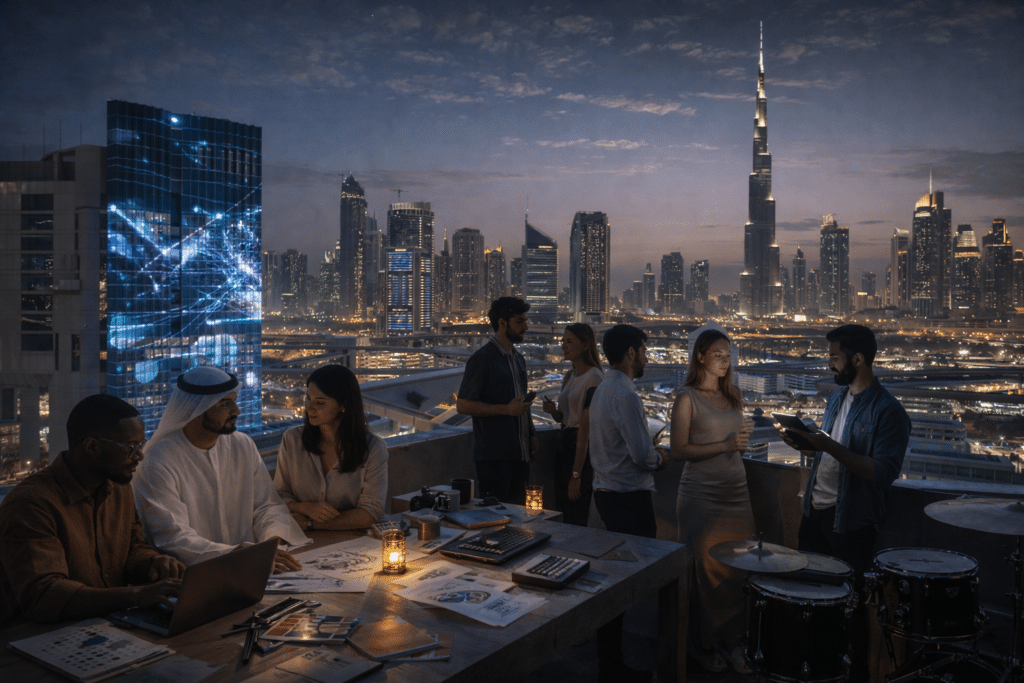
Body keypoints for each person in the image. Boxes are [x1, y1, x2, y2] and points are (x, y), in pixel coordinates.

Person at [781, 324, 910, 683]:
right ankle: (818, 671)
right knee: (811, 601)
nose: (829, 365)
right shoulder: (837, 398)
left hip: (851, 523)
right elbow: (831, 453)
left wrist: (825, 446)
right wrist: (805, 443)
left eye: (834, 358)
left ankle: (856, 675)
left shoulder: (889, 412)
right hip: (816, 512)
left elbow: (882, 472)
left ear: (858, 359)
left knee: (851, 608)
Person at [0, 394, 185, 630]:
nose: (140, 456)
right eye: (131, 447)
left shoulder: (119, 488)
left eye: (141, 445)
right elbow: (44, 596)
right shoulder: (32, 504)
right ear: (91, 447)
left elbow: (132, 550)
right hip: (35, 641)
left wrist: (154, 564)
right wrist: (136, 596)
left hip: (104, 629)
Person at [133, 366, 309, 573]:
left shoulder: (242, 445)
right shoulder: (158, 460)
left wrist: (271, 542)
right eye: (225, 404)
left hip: (256, 568)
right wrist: (234, 554)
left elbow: (267, 506)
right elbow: (172, 537)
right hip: (195, 576)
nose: (236, 411)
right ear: (197, 410)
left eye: (234, 401)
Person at [670, 329, 754, 674]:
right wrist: (728, 446)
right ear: (701, 356)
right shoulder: (686, 398)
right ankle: (704, 644)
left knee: (740, 570)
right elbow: (679, 451)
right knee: (704, 575)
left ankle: (733, 641)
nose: (725, 360)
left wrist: (740, 443)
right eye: (718, 354)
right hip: (700, 497)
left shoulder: (734, 396)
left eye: (729, 355)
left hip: (737, 493)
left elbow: (736, 443)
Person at [588, 324, 669, 683]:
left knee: (613, 585)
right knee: (624, 588)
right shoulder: (625, 394)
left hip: (606, 494)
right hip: (627, 499)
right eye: (644, 350)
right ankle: (615, 668)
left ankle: (610, 663)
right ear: (632, 352)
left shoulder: (605, 389)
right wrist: (662, 458)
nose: (647, 357)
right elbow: (641, 454)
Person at [275, 365, 388, 531]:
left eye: (320, 402)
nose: (309, 408)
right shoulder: (292, 440)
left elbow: (370, 511)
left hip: (354, 542)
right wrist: (304, 508)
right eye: (308, 398)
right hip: (303, 541)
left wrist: (310, 523)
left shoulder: (373, 448)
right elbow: (278, 494)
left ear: (344, 405)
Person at [455, 296, 538, 505]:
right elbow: (463, 404)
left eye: (525, 321)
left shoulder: (518, 358)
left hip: (520, 455)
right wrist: (506, 410)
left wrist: (532, 434)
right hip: (494, 458)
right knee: (496, 519)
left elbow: (521, 404)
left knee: (519, 517)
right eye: (520, 321)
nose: (525, 327)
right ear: (502, 323)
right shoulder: (482, 359)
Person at [541, 323, 603, 526]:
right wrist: (554, 411)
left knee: (577, 506)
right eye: (563, 341)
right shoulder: (570, 375)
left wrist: (576, 474)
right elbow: (564, 419)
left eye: (569, 342)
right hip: (564, 445)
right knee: (563, 505)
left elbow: (585, 430)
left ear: (586, 345)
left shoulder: (594, 378)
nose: (563, 346)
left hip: (580, 451)